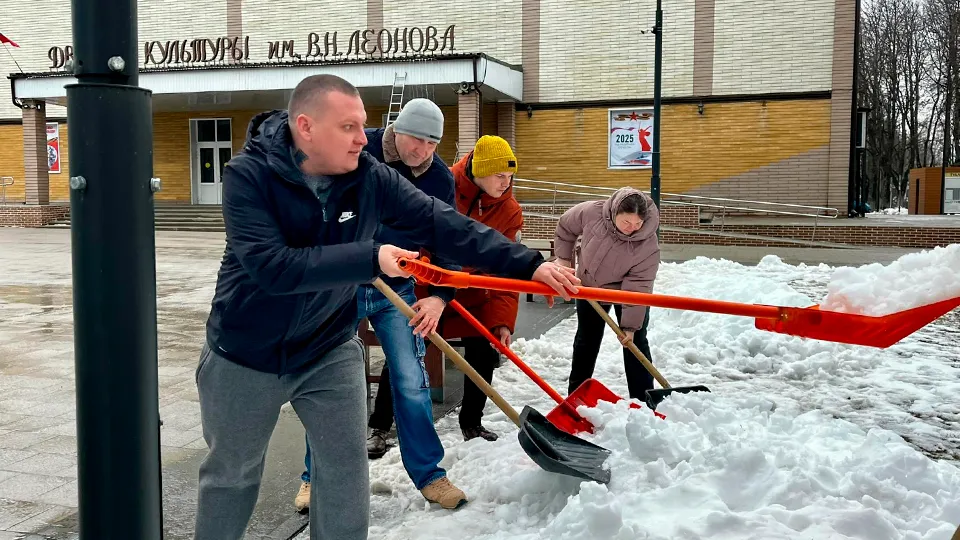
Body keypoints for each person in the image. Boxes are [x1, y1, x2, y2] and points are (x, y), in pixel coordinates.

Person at [194, 73, 579, 540]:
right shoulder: (248, 177)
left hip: (327, 348)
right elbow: (273, 268)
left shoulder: (369, 177)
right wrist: (371, 257)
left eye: (363, 124)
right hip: (245, 353)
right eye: (350, 126)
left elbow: (443, 223)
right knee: (233, 476)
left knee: (345, 467)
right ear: (306, 127)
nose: (364, 137)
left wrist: (527, 265)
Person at [295, 98, 464, 512]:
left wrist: (440, 297)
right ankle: (313, 477)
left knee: (411, 378)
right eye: (416, 139)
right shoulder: (358, 149)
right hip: (343, 285)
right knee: (327, 381)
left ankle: (430, 475)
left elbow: (448, 237)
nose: (422, 150)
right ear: (396, 129)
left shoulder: (438, 178)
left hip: (397, 290)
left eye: (431, 143)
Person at [434, 135, 525, 442]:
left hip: (474, 290)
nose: (506, 183)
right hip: (430, 284)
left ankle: (472, 421)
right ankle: (381, 425)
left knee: (483, 352)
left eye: (510, 176)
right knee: (406, 349)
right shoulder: (441, 182)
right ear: (479, 170)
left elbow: (506, 269)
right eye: (500, 175)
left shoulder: (509, 209)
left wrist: (501, 320)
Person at [553, 187, 660, 400]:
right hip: (589, 288)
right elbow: (565, 226)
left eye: (638, 223)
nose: (633, 228)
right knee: (587, 340)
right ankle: (576, 396)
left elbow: (639, 285)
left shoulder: (647, 244)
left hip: (626, 294)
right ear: (614, 214)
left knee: (635, 341)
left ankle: (644, 398)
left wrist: (629, 327)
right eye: (627, 222)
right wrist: (563, 260)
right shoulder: (592, 212)